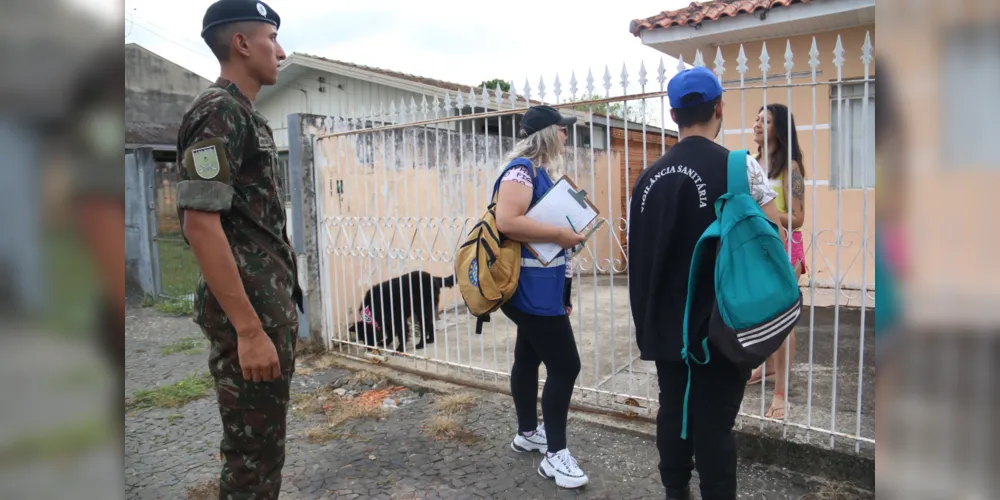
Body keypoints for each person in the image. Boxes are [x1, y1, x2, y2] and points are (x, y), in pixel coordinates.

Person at [627, 67, 781, 500]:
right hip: (721, 324)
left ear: (674, 113)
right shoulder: (739, 167)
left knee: (673, 408)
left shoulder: (646, 179)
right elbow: (773, 242)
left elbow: (638, 254)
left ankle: (675, 491)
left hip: (665, 325)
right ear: (719, 107)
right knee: (713, 423)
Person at [175, 1, 301, 497]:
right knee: (251, 458)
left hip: (265, 311)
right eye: (272, 37)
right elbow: (200, 225)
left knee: (263, 450)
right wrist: (249, 330)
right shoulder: (218, 112)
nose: (282, 50)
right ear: (241, 44)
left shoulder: (244, 115)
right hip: (249, 317)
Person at [494, 105, 588, 489]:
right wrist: (560, 235)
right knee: (566, 366)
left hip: (540, 288)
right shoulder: (521, 170)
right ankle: (555, 457)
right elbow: (507, 222)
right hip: (531, 291)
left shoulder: (538, 172)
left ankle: (529, 433)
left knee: (528, 357)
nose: (566, 135)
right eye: (562, 129)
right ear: (546, 133)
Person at [746, 103, 807, 419]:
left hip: (785, 249)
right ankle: (765, 368)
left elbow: (798, 218)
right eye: (756, 118)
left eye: (765, 120)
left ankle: (780, 392)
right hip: (757, 248)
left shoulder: (790, 169)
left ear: (778, 128)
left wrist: (766, 214)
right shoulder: (750, 164)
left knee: (783, 318)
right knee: (760, 313)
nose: (757, 124)